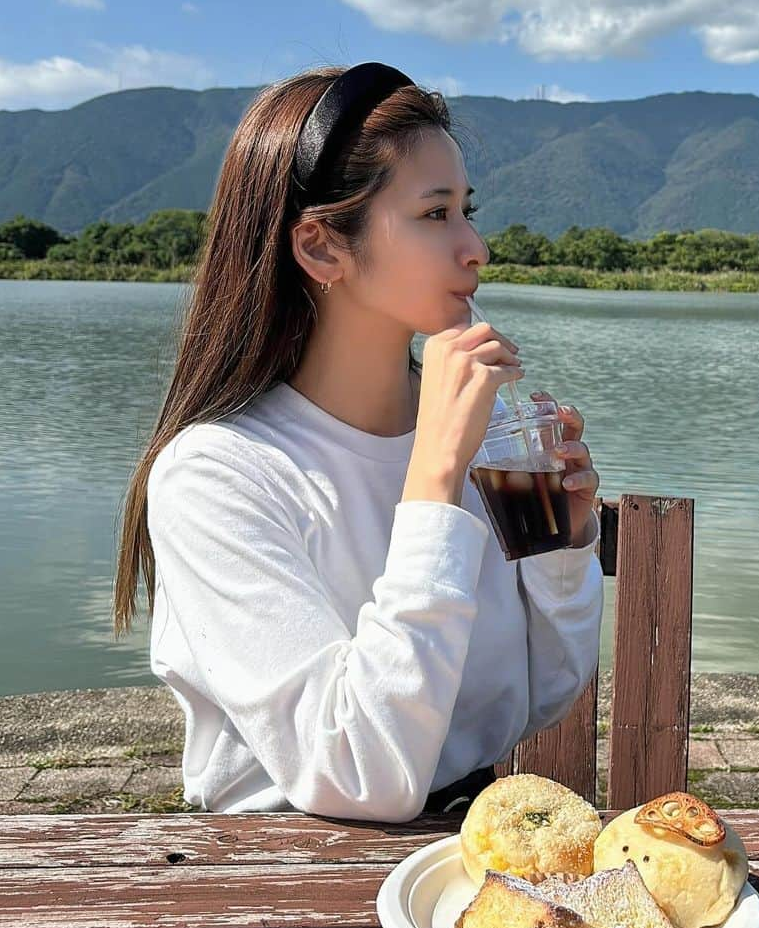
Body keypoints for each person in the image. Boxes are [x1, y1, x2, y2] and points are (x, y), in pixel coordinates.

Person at [112, 62, 604, 822]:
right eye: (435, 214)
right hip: (280, 880)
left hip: (454, 863)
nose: (476, 248)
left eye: (467, 210)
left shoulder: (476, 439)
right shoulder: (217, 477)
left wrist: (561, 555)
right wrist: (434, 476)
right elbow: (355, 774)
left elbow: (539, 698)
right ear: (321, 249)